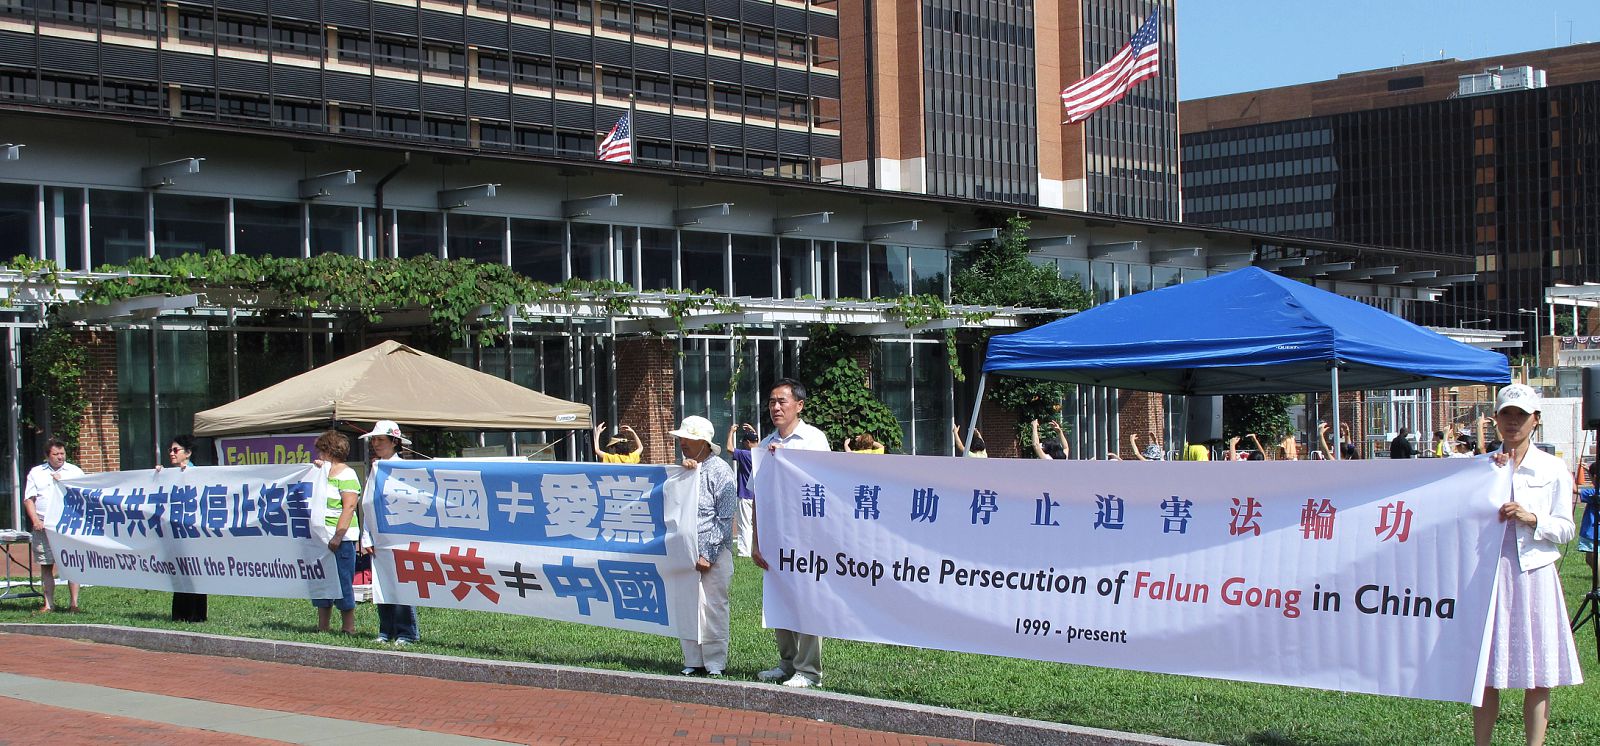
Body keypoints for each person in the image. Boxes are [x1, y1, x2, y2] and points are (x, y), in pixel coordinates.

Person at [1473, 384, 1583, 746]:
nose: (1513, 422)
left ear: (1535, 420)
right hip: (1489, 574)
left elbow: (1566, 528)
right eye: (1506, 414)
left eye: (1521, 415)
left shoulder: (1552, 468)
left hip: (1535, 574)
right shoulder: (1481, 466)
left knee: (1539, 672)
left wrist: (1532, 518)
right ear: (1495, 419)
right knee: (1484, 672)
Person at [750, 378, 830, 689]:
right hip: (775, 537)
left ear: (799, 405)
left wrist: (787, 460)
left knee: (807, 601)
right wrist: (755, 540)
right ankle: (787, 663)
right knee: (779, 599)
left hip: (808, 537)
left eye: (782, 401)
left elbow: (823, 484)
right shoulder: (765, 445)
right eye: (772, 402)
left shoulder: (813, 439)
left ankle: (809, 670)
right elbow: (758, 496)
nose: (776, 407)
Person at [671, 415, 738, 677]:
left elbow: (725, 517)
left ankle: (715, 662)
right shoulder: (683, 469)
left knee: (713, 607)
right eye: (682, 438)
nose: (683, 443)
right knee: (687, 605)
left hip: (714, 553)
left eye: (688, 439)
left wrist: (708, 554)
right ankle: (693, 659)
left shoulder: (721, 471)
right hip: (685, 551)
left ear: (703, 442)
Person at [360, 420, 419, 646]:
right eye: (374, 440)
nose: (375, 444)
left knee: (402, 583)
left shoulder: (404, 469)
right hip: (379, 537)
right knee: (382, 583)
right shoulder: (375, 468)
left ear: (394, 442)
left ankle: (406, 632)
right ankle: (386, 629)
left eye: (380, 440)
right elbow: (369, 505)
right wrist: (367, 535)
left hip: (400, 536)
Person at [23, 439, 84, 613]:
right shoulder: (36, 473)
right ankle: (49, 604)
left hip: (68, 525)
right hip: (44, 525)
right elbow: (29, 499)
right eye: (55, 454)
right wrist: (36, 520)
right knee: (46, 564)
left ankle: (74, 604)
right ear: (47, 456)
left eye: (62, 453)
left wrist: (64, 482)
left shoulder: (74, 471)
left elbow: (84, 495)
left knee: (73, 564)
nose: (60, 457)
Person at [311, 429, 361, 634]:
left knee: (343, 581)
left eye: (321, 451)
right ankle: (323, 626)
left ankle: (348, 627)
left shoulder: (347, 474)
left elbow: (349, 507)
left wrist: (338, 536)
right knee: (321, 581)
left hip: (342, 539)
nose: (319, 455)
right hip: (321, 537)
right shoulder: (321, 472)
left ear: (330, 451)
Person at [162, 434, 208, 623]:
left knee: (195, 572)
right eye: (170, 450)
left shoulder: (197, 474)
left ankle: (196, 614)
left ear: (187, 453)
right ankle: (180, 613)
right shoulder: (169, 475)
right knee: (179, 572)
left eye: (176, 450)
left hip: (193, 531)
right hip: (175, 532)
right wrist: (157, 475)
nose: (171, 453)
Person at [725, 424, 759, 557]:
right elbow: (758, 444)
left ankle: (744, 552)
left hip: (745, 494)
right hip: (758, 495)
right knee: (757, 525)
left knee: (744, 524)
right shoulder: (761, 453)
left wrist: (731, 432)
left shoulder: (745, 454)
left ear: (748, 442)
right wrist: (753, 431)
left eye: (745, 442)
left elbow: (729, 448)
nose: (744, 445)